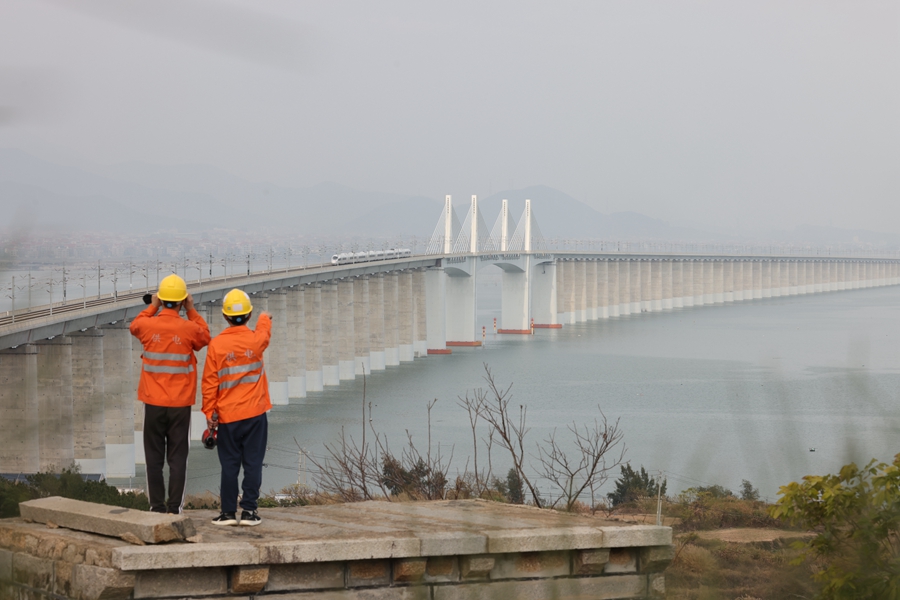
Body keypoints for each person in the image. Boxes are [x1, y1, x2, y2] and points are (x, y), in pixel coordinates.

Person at [130, 274, 210, 514]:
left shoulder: (147, 325)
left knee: (153, 459)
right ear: (182, 301)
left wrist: (152, 307)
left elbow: (134, 325)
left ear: (162, 300)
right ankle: (174, 508)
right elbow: (205, 336)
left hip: (152, 403)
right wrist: (192, 309)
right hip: (179, 405)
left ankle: (156, 506)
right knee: (177, 458)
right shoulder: (188, 328)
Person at [202, 288, 271, 526]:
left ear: (225, 316)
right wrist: (264, 318)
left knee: (229, 465)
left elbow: (209, 384)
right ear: (249, 315)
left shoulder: (216, 346)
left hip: (228, 416)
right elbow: (264, 333)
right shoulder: (256, 340)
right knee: (253, 463)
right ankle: (249, 512)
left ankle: (228, 513)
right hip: (255, 415)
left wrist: (209, 414)